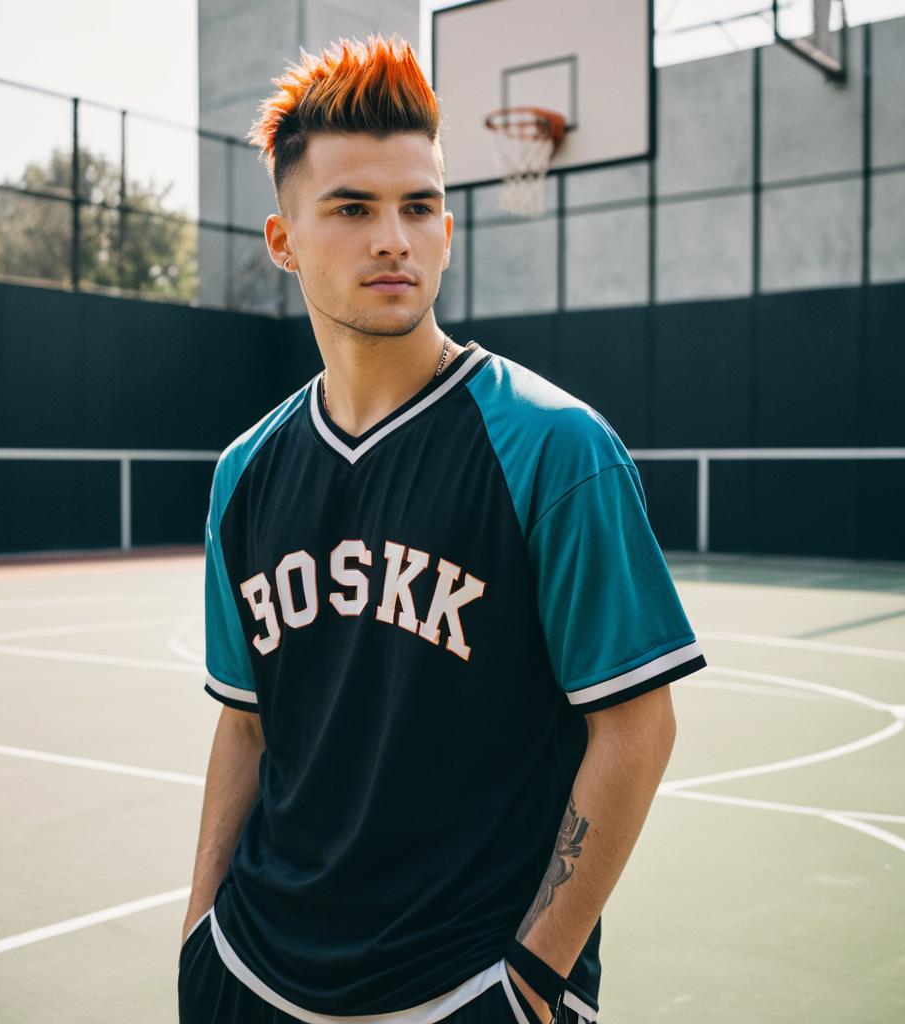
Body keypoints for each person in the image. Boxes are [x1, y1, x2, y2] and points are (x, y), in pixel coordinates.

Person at [179, 33, 706, 1024]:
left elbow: (637, 724)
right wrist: (199, 929)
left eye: (418, 207)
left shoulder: (556, 448)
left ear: (449, 230)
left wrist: (535, 977)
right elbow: (245, 722)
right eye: (352, 208)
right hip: (255, 972)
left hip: (464, 985)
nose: (394, 238)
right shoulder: (246, 472)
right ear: (283, 240)